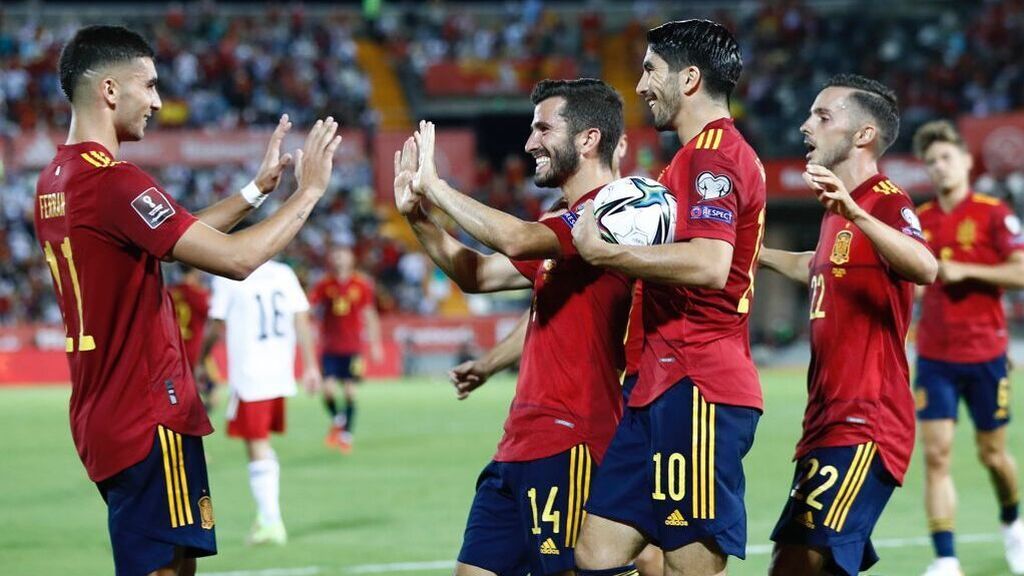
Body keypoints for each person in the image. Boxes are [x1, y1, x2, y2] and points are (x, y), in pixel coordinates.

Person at [33, 25, 341, 576]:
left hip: (100, 409)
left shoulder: (58, 178)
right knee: (168, 568)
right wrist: (309, 192)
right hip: (149, 411)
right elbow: (236, 260)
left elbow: (173, 239)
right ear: (110, 90)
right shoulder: (116, 183)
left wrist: (255, 193)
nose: (157, 101)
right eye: (147, 86)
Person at [397, 77, 632, 576]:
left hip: (573, 437)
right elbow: (478, 274)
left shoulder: (615, 213)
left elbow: (518, 241)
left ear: (588, 139)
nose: (529, 143)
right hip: (520, 440)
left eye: (543, 128)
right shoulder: (561, 218)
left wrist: (437, 187)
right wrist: (418, 217)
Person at [563, 20, 765, 576]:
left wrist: (608, 254)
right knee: (597, 554)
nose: (642, 84)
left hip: (697, 384)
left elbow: (709, 263)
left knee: (687, 568)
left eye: (651, 70)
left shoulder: (713, 156)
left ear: (690, 78)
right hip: (657, 383)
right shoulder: (689, 159)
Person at [758, 75, 937, 576]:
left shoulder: (884, 199)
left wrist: (856, 212)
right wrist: (756, 255)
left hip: (865, 419)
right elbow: (816, 265)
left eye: (822, 116)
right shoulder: (838, 211)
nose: (805, 125)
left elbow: (925, 267)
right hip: (827, 418)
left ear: (863, 135)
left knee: (796, 563)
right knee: (811, 565)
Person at [911, 120, 1024, 576]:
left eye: (946, 158)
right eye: (931, 161)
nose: (939, 167)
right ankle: (945, 558)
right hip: (935, 357)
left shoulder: (995, 213)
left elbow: (1020, 273)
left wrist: (966, 272)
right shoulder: (918, 218)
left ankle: (1013, 523)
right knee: (936, 454)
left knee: (992, 454)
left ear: (966, 161)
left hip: (986, 354)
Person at [203, 259, 321, 546]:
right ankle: (267, 515)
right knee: (259, 442)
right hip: (279, 370)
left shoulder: (228, 271)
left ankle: (271, 520)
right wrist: (310, 365)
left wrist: (198, 360)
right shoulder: (282, 272)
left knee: (257, 443)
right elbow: (301, 316)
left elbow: (216, 323)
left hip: (251, 373)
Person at [309, 245, 383, 453]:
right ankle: (339, 419)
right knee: (328, 390)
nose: (339, 259)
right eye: (336, 255)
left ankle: (345, 435)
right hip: (330, 347)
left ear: (351, 259)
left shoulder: (362, 284)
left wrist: (375, 344)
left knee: (350, 392)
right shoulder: (324, 284)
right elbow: (310, 307)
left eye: (343, 255)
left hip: (353, 348)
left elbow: (370, 315)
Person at [169, 266, 215, 411]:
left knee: (175, 393)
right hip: (194, 349)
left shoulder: (168, 292)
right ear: (196, 271)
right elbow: (212, 321)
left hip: (172, 349)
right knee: (208, 395)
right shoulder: (201, 295)